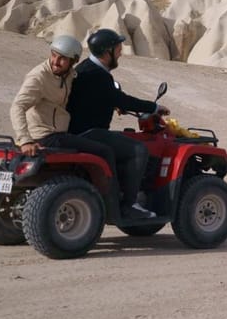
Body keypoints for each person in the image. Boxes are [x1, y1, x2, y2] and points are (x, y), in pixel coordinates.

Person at [67, 29, 168, 219]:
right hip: (89, 132)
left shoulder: (86, 68)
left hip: (77, 130)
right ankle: (129, 204)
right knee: (138, 150)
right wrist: (154, 107)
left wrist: (110, 104)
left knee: (122, 141)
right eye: (118, 47)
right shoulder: (97, 75)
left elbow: (94, 99)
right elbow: (123, 99)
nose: (121, 51)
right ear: (107, 52)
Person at [10, 35, 118, 195]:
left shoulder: (68, 76)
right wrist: (25, 140)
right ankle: (111, 198)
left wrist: (112, 104)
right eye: (53, 55)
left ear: (73, 61)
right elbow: (17, 106)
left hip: (57, 133)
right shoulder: (39, 77)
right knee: (105, 151)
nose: (55, 61)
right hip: (48, 136)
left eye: (62, 58)